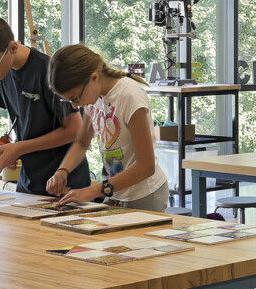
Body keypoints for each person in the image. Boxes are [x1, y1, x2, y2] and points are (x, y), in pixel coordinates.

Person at [0, 15, 90, 197]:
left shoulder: (47, 71)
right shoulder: (2, 73)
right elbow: (25, 123)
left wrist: (20, 148)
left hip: (64, 184)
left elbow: (75, 129)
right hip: (29, 184)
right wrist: (11, 151)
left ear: (13, 47)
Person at [46, 44, 171, 212]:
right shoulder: (92, 97)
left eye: (75, 98)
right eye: (69, 101)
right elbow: (82, 143)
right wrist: (63, 170)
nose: (75, 106)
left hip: (144, 194)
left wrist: (92, 191)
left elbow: (146, 166)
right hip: (115, 193)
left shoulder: (129, 96)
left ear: (94, 78)